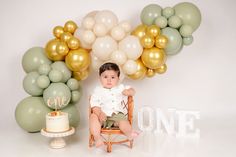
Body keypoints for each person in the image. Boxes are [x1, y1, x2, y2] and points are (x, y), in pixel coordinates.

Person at [89, 62, 139, 148]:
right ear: (100, 78)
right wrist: (99, 113)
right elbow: (94, 104)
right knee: (93, 117)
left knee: (124, 122)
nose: (109, 80)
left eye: (112, 77)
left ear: (118, 79)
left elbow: (133, 90)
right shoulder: (98, 90)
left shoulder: (120, 88)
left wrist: (129, 92)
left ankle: (129, 134)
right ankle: (97, 138)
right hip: (102, 116)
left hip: (117, 115)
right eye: (105, 77)